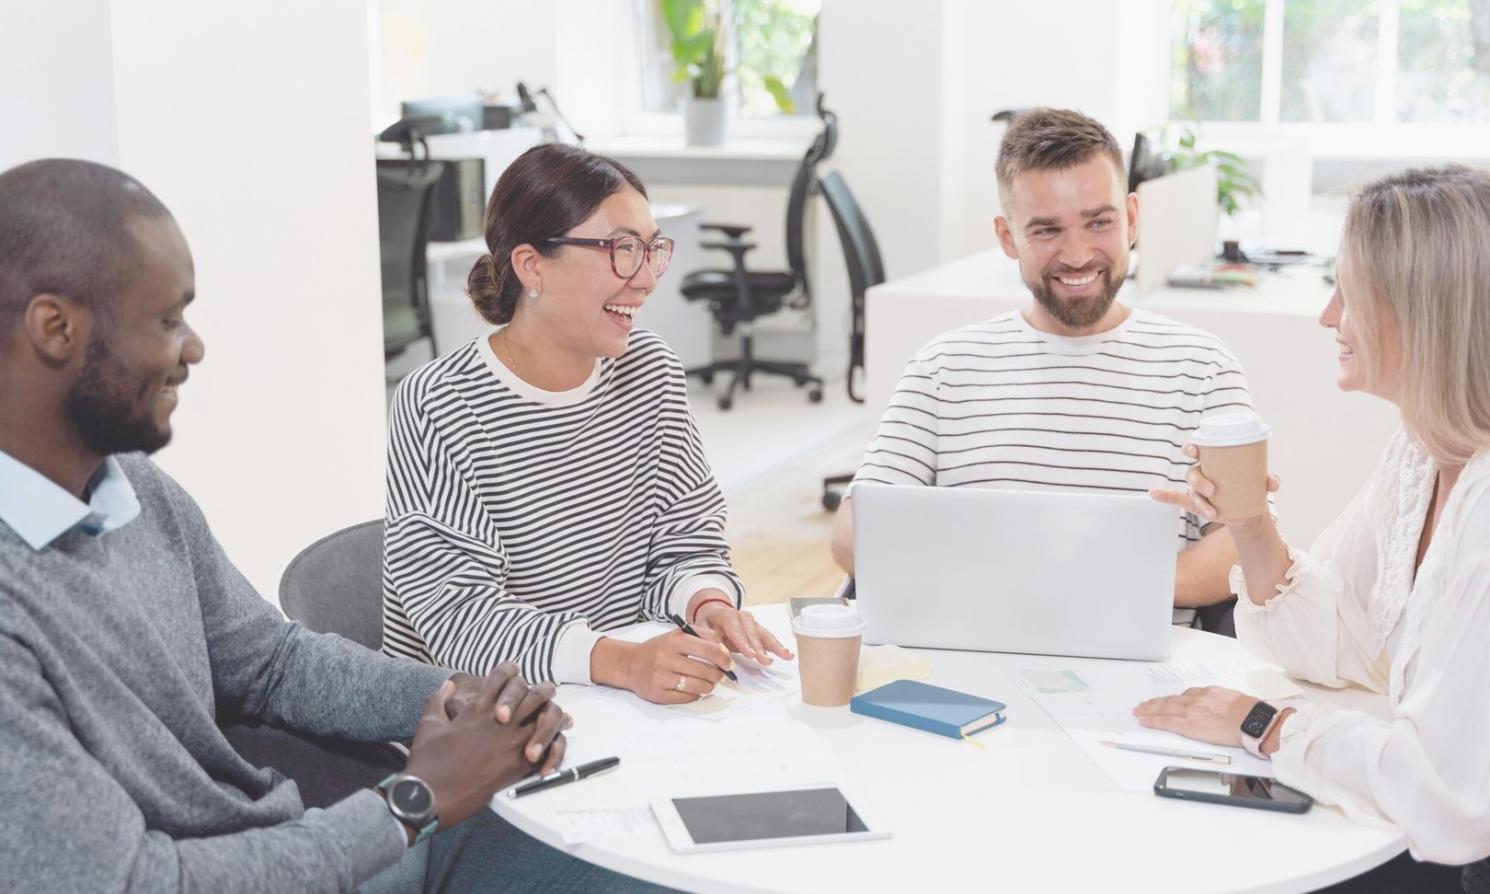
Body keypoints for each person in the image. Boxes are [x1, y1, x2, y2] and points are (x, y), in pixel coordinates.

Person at [0, 158, 662, 893]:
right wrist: (413, 803)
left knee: (658, 859)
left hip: (319, 838)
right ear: (54, 328)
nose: (193, 348)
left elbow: (271, 663)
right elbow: (135, 884)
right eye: (166, 320)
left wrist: (462, 702)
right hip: (310, 854)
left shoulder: (137, 494)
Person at [1137, 165, 1490, 880]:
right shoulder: (1421, 454)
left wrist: (1261, 725)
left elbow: (1448, 804)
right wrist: (1248, 523)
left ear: (1422, 312)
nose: (1329, 317)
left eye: (1349, 294)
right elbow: (1338, 644)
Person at [381, 143, 793, 703]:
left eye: (653, 250)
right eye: (622, 249)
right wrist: (622, 662)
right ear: (531, 266)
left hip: (618, 702)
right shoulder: (438, 403)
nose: (646, 278)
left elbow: (687, 538)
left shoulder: (650, 371)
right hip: (480, 720)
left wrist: (708, 602)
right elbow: (460, 619)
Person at [829, 107, 1255, 628]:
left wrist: (1084, 585)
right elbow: (854, 533)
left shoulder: (1203, 368)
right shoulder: (944, 368)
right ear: (1007, 237)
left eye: (1099, 222)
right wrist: (1011, 584)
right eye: (1047, 230)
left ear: (1133, 219)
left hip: (1149, 675)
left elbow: (1244, 541)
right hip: (970, 655)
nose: (1077, 255)